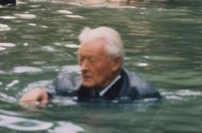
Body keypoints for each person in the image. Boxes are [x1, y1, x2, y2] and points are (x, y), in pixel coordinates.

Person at [20, 26, 160, 105]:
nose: (83, 67)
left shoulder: (142, 95)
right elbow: (49, 91)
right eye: (81, 59)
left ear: (115, 63)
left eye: (92, 60)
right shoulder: (68, 84)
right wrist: (40, 92)